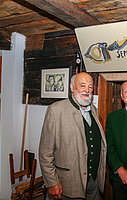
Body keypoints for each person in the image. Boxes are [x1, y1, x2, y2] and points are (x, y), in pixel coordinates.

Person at [39, 72, 107, 200]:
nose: (87, 90)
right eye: (82, 85)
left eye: (90, 86)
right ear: (72, 87)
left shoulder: (94, 110)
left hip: (93, 183)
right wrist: (52, 181)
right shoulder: (56, 110)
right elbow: (45, 152)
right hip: (68, 184)